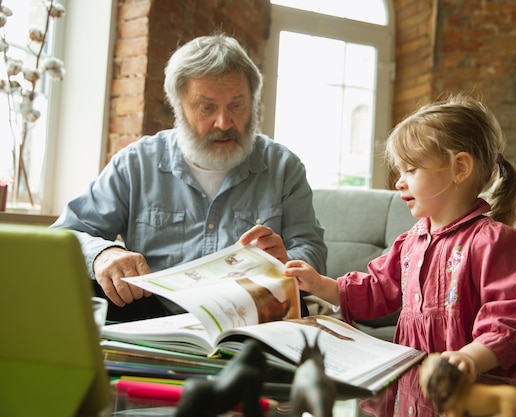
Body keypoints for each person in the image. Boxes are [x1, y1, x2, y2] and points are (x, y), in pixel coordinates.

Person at [284, 94, 516, 416]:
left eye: (410, 169)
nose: (398, 181)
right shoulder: (410, 243)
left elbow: (514, 319)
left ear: (459, 168)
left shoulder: (497, 242)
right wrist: (320, 284)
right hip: (418, 389)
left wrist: (471, 357)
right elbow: (378, 289)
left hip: (481, 390)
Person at [51, 33, 327, 321]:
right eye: (207, 107)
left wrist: (289, 262)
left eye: (237, 105)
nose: (224, 122)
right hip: (151, 318)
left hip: (252, 318)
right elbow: (65, 235)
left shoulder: (283, 167)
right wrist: (103, 255)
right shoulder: (136, 164)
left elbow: (313, 251)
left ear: (253, 102)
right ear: (178, 106)